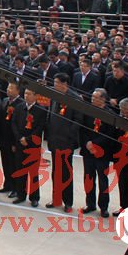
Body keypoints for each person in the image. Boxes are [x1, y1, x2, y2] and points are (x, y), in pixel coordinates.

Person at [46, 73, 79, 213]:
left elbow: (77, 121)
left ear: (64, 84)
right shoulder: (55, 95)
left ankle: (68, 202)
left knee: (66, 173)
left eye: (57, 83)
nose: (54, 85)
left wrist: (68, 137)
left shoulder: (74, 98)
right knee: (56, 172)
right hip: (54, 140)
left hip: (66, 142)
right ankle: (56, 198)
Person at [81, 88, 114, 217]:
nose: (93, 99)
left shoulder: (109, 114)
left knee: (102, 180)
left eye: (96, 97)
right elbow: (82, 128)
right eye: (92, 97)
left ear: (103, 99)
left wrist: (95, 144)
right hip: (88, 150)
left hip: (102, 152)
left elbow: (109, 134)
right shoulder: (88, 110)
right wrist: (88, 143)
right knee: (89, 178)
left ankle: (103, 207)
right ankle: (90, 203)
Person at [0, 81, 26, 196]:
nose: (8, 90)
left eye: (11, 88)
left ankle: (16, 188)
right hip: (3, 138)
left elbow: (19, 124)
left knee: (14, 165)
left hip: (13, 140)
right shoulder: (5, 101)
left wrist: (15, 142)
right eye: (8, 87)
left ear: (18, 91)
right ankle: (7, 184)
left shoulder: (21, 104)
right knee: (5, 163)